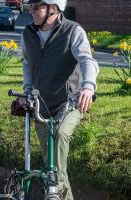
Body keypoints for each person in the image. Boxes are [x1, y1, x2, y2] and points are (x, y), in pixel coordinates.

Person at [21, 0, 99, 199]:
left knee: (61, 134)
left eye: (37, 7)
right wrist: (27, 90)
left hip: (70, 101)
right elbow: (27, 64)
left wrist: (88, 87)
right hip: (41, 104)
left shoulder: (73, 31)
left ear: (53, 8)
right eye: (30, 7)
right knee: (51, 165)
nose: (32, 11)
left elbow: (86, 60)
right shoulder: (28, 33)